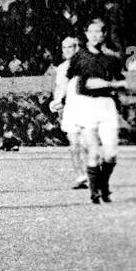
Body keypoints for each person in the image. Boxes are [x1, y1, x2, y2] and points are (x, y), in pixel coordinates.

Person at [65, 18, 127, 204]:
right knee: (93, 151)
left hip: (107, 106)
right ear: (86, 34)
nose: (94, 35)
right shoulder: (79, 57)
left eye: (98, 31)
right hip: (86, 105)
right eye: (91, 31)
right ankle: (95, 193)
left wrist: (114, 85)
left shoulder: (112, 59)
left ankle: (103, 185)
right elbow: (80, 84)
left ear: (104, 34)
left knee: (110, 154)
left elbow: (122, 82)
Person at [49, 36, 89, 189]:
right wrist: (56, 103)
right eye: (64, 48)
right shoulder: (61, 68)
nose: (66, 51)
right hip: (69, 110)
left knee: (86, 143)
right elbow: (60, 89)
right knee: (74, 144)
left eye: (70, 47)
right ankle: (81, 176)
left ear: (76, 48)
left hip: (84, 107)